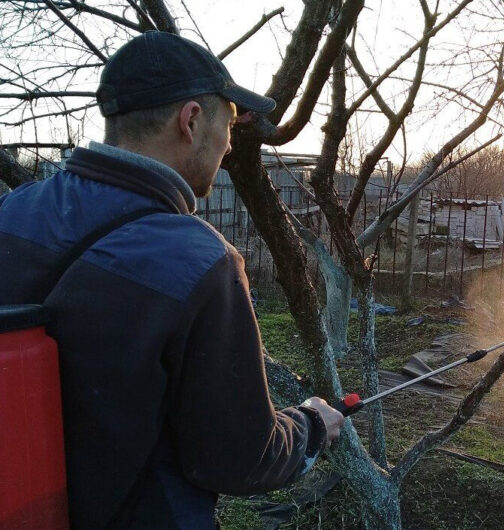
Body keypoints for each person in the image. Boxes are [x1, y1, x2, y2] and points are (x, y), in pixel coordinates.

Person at [0, 31, 344, 529]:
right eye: (228, 124)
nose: (229, 145)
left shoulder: (12, 211)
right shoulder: (201, 262)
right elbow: (237, 457)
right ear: (191, 120)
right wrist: (311, 426)